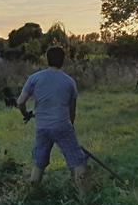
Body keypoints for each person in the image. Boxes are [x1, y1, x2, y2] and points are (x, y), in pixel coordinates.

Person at [16, 46, 89, 194]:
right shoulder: (69, 82)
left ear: (46, 59)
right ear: (63, 61)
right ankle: (85, 197)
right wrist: (70, 127)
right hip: (62, 125)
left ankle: (33, 192)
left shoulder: (34, 78)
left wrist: (25, 114)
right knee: (78, 160)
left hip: (42, 127)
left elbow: (20, 102)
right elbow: (72, 111)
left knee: (39, 161)